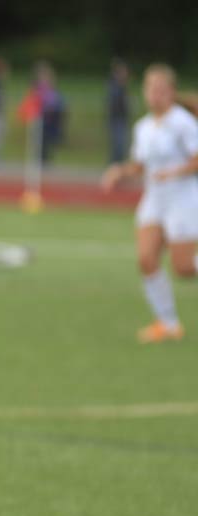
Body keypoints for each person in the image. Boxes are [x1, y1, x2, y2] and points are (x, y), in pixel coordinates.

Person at [101, 63, 198, 343]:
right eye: (150, 90)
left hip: (183, 198)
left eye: (160, 90)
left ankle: (168, 323)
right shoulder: (142, 127)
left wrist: (175, 172)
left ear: (171, 92)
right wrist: (120, 172)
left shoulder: (183, 122)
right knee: (146, 259)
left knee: (183, 268)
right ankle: (168, 324)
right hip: (154, 199)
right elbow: (141, 165)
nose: (155, 95)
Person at [108, 59, 132, 164]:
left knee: (120, 144)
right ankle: (115, 164)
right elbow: (114, 104)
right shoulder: (115, 87)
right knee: (118, 144)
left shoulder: (122, 87)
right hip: (117, 118)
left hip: (121, 118)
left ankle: (118, 164)